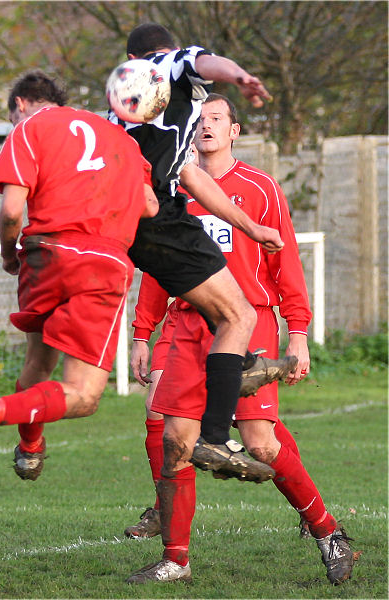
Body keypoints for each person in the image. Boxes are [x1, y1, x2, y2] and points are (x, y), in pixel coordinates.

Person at [124, 94, 356, 585]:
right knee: (174, 440)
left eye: (216, 119)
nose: (205, 126)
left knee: (261, 445)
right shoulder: (171, 185)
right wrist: (143, 331)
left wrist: (298, 333)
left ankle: (328, 532)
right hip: (187, 325)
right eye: (199, 120)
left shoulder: (261, 187)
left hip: (248, 323)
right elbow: (159, 264)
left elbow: (285, 260)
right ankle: (176, 559)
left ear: (235, 130)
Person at [0, 70, 159, 470]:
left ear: (20, 104)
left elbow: (10, 212)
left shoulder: (28, 129)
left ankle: (30, 450)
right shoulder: (119, 137)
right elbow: (149, 206)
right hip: (100, 262)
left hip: (45, 255)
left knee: (38, 362)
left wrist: (9, 254)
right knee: (84, 395)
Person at [107, 23, 299, 485]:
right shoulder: (165, 68)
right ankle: (215, 433)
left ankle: (241, 368)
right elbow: (201, 61)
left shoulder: (124, 107)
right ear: (162, 52)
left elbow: (190, 176)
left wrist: (250, 226)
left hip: (131, 226)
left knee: (221, 308)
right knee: (241, 318)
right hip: (162, 219)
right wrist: (239, 76)